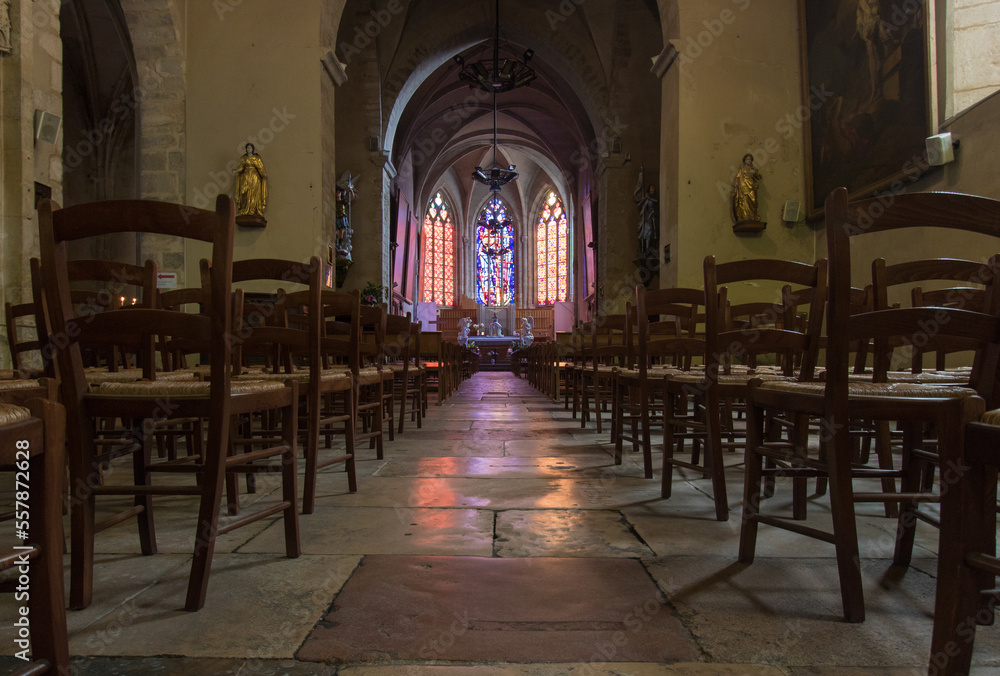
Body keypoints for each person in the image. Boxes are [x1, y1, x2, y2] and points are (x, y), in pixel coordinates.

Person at [235, 143, 267, 217]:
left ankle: (253, 210)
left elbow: (260, 167)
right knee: (245, 192)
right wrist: (237, 170)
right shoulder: (243, 158)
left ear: (252, 149)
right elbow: (241, 167)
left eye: (250, 148)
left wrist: (263, 174)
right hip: (245, 178)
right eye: (247, 148)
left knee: (254, 194)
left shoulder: (257, 158)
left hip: (254, 178)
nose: (249, 149)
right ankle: (245, 209)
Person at [731, 153, 761, 223]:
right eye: (747, 159)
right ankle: (744, 216)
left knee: (753, 200)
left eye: (750, 159)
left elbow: (759, 177)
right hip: (743, 187)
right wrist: (735, 188)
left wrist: (755, 172)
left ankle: (753, 216)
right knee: (744, 201)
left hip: (751, 187)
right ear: (744, 160)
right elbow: (737, 178)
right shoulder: (742, 170)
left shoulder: (753, 169)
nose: (748, 160)